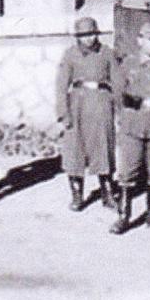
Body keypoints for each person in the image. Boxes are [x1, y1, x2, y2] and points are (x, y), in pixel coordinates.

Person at [111, 20, 150, 235]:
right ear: (140, 41)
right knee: (128, 171)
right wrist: (125, 115)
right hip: (133, 124)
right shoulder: (128, 65)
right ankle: (123, 216)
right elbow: (118, 94)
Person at [55, 16, 117, 212]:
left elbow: (117, 81)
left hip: (101, 102)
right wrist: (63, 113)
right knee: (75, 148)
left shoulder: (107, 53)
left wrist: (119, 107)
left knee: (103, 146)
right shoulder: (70, 55)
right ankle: (77, 195)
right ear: (78, 37)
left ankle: (107, 193)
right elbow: (61, 85)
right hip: (77, 105)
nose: (89, 39)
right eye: (84, 35)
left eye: (92, 34)